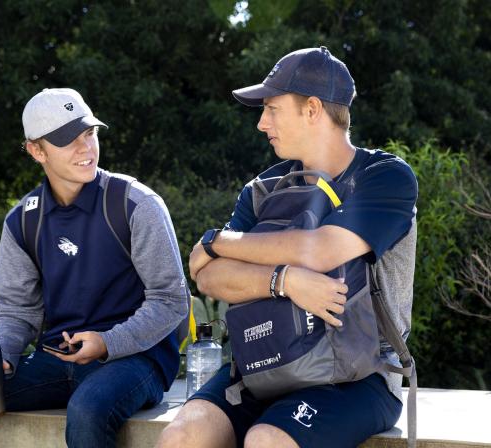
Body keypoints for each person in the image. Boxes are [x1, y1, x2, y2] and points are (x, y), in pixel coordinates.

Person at [157, 47, 417, 448]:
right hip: (262, 361)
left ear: (312, 109)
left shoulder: (384, 177)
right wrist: (285, 281)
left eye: (272, 109)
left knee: (267, 441)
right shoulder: (263, 190)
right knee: (181, 436)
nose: (262, 123)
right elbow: (209, 276)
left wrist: (216, 241)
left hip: (358, 375)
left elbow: (322, 251)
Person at [0, 88, 189, 448]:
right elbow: (16, 310)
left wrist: (108, 343)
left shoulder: (136, 204)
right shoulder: (22, 221)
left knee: (88, 409)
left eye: (89, 134)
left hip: (136, 359)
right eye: (67, 140)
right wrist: (3, 357)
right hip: (56, 359)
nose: (86, 148)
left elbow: (172, 301)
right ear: (36, 150)